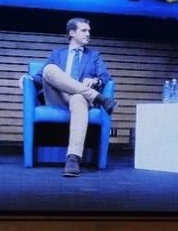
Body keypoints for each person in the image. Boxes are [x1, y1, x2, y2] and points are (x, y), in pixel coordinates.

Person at [24, 17, 116, 177]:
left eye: (89, 31)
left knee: (79, 98)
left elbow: (105, 77)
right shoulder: (57, 53)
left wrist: (95, 80)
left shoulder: (94, 56)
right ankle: (98, 98)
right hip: (56, 97)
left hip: (79, 99)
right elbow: (40, 78)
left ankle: (73, 158)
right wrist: (26, 78)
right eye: (84, 30)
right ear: (72, 33)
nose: (88, 34)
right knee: (50, 69)